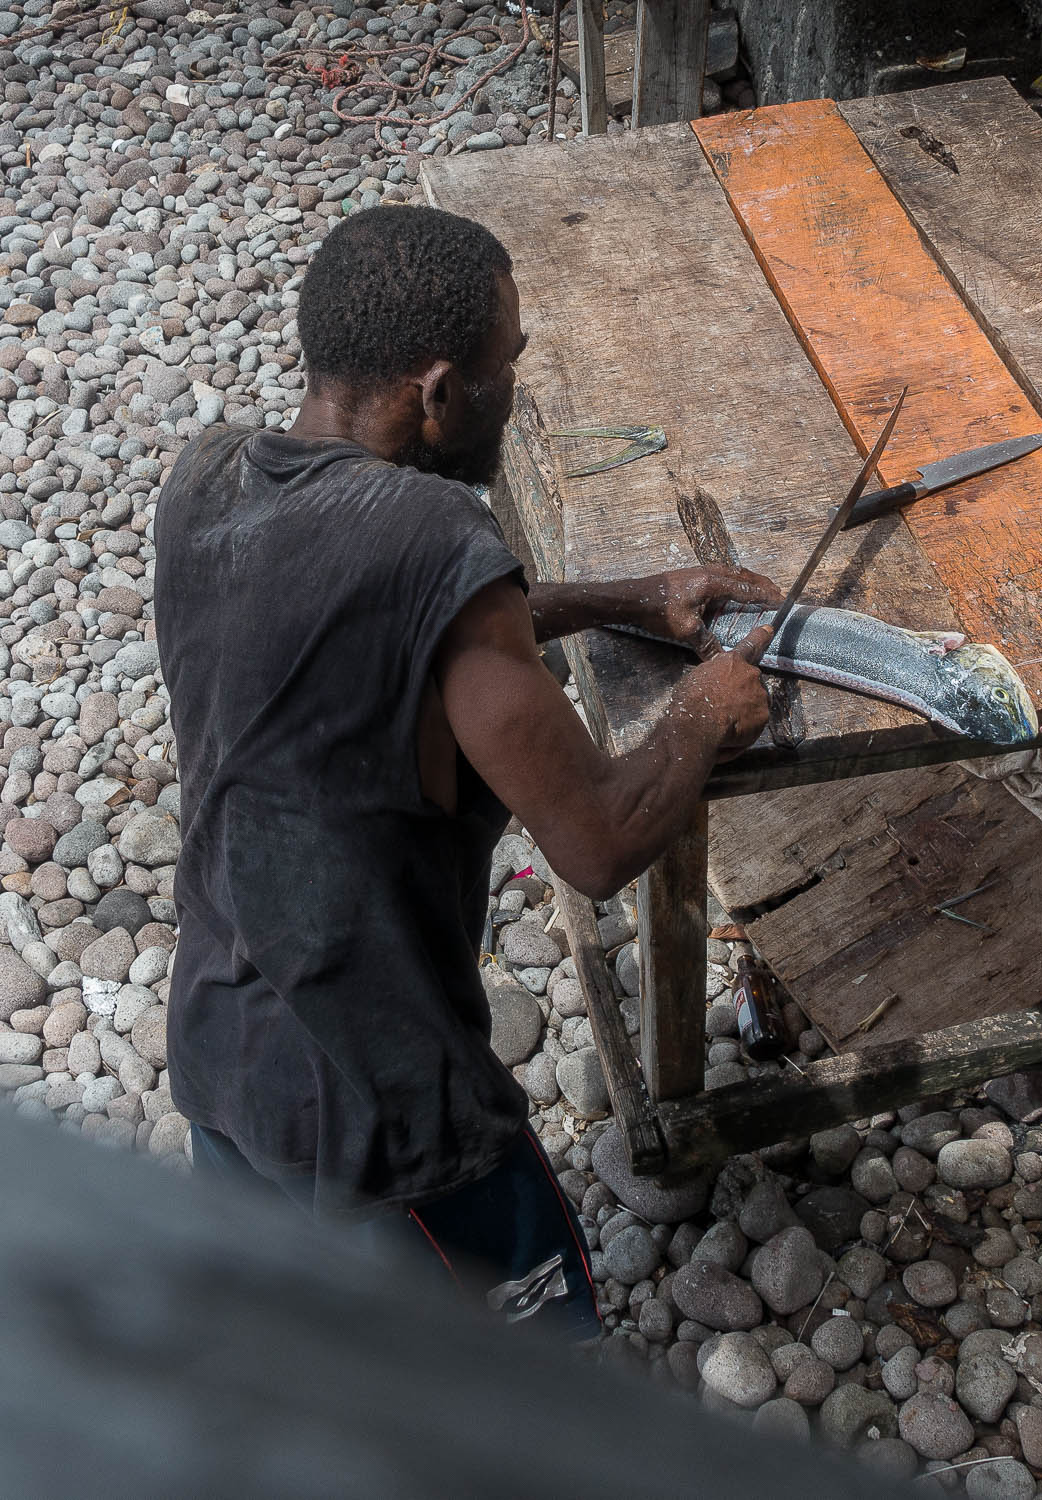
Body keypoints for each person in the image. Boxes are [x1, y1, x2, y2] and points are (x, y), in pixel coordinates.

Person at [152, 205, 779, 1337]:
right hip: (379, 1104)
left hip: (219, 1048)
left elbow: (405, 625)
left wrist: (631, 599)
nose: (515, 391)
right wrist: (698, 712)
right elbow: (597, 842)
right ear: (437, 394)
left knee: (301, 1357)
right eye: (507, 369)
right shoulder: (438, 540)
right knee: (524, 1384)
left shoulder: (208, 483)